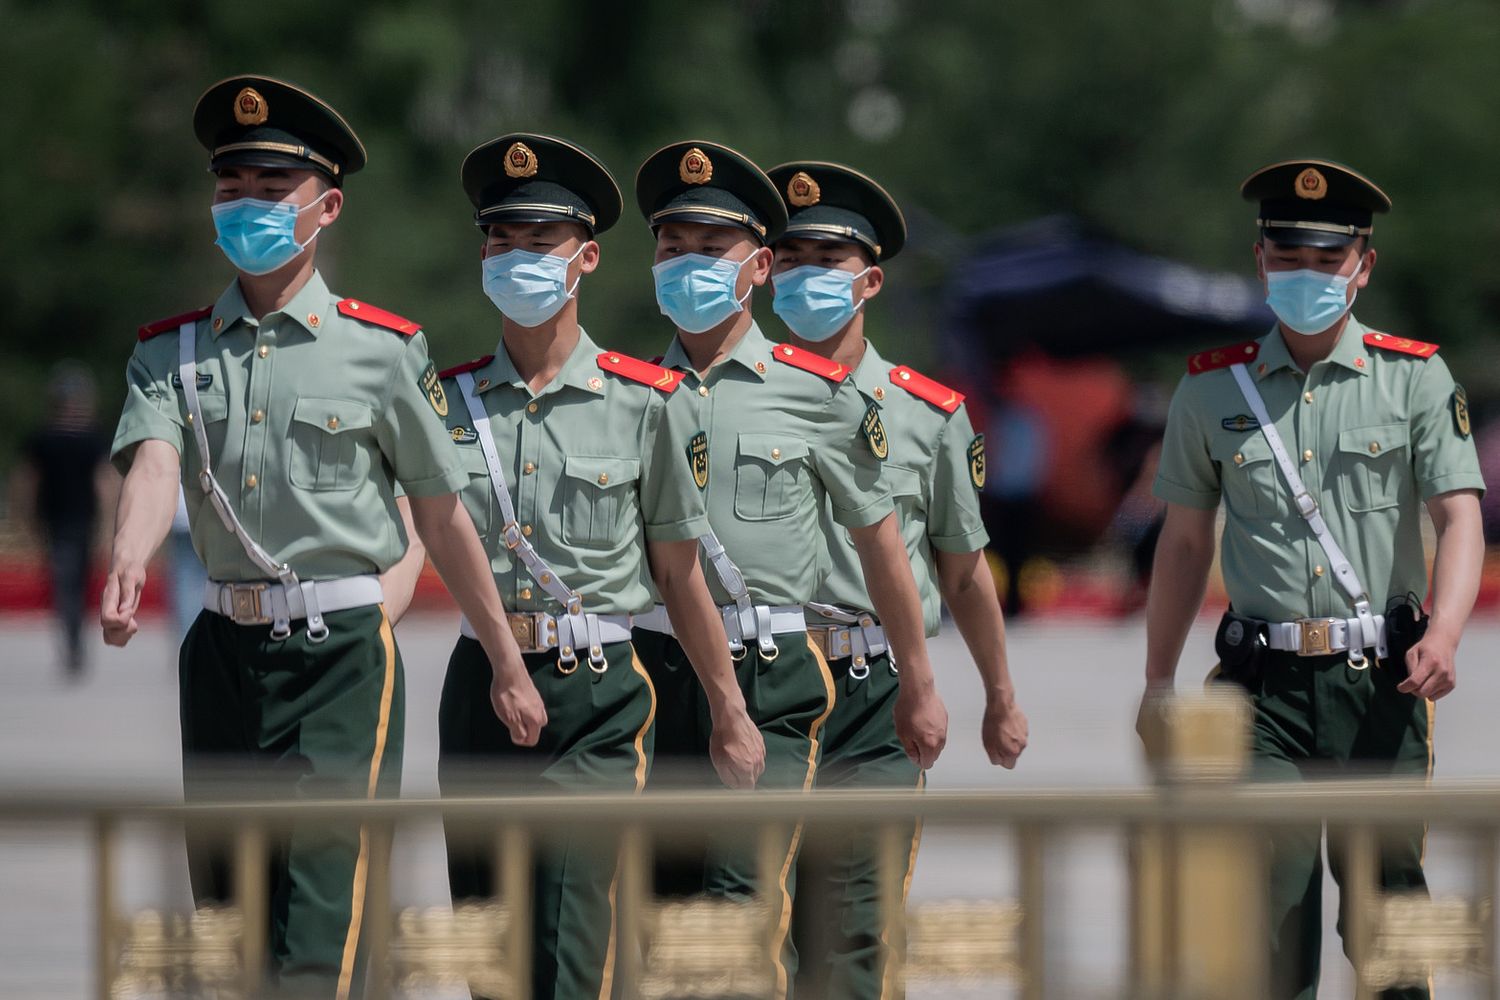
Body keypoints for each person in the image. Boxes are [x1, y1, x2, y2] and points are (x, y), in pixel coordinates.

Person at [102, 75, 541, 998]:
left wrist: (504, 659)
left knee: (318, 929)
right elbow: (152, 464)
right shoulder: (172, 352)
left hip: (339, 658)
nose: (248, 208)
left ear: (326, 207)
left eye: (274, 190)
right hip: (220, 655)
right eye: (232, 189)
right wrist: (131, 555)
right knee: (229, 935)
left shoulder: (385, 351)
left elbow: (439, 513)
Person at [409, 132, 765, 1000]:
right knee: (489, 950)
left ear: (588, 258)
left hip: (597, 692)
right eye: (502, 241)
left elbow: (679, 575)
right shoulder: (445, 403)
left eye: (541, 242)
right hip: (480, 686)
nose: (517, 259)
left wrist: (727, 708)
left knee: (570, 943)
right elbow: (412, 540)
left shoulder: (648, 404)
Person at [1140, 159, 1485, 999]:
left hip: (1382, 683)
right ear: (1260, 261)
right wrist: (1157, 681)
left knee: (1387, 908)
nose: (1308, 275)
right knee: (1268, 911)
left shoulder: (1414, 378)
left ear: (1364, 266)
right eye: (1289, 257)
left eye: (1328, 260)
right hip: (1263, 693)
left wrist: (1444, 632)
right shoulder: (1210, 390)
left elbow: (1460, 518)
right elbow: (1183, 545)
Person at [630, 140, 948, 998]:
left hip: (768, 670)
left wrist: (919, 682)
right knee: (669, 927)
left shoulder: (816, 391)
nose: (688, 265)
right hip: (653, 675)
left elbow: (882, 545)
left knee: (745, 913)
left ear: (759, 266)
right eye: (672, 247)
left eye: (712, 248)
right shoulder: (626, 392)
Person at [763, 160, 1030, 998]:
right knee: (753, 935)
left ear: (870, 280)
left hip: (871, 691)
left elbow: (964, 572)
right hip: (760, 675)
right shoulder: (717, 401)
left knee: (855, 933)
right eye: (790, 259)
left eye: (828, 260)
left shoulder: (928, 416)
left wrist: (999, 695)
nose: (806, 277)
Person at [13, 364, 112, 675]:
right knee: (73, 583)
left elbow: (27, 482)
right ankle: (74, 640)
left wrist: (26, 518)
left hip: (63, 521)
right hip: (73, 521)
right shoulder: (89, 437)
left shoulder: (46, 437)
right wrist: (110, 521)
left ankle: (73, 640)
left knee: (68, 584)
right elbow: (105, 483)